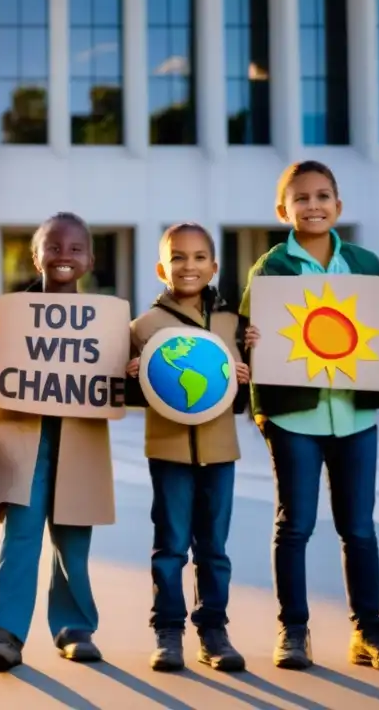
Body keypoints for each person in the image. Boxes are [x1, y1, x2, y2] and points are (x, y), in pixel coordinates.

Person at [240, 161, 379, 671]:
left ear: (338, 205)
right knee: (294, 525)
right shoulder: (271, 268)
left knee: (359, 527)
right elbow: (250, 339)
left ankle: (370, 631)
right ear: (282, 210)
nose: (312, 206)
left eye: (322, 196)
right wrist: (260, 402)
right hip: (294, 418)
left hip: (353, 416)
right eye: (301, 199)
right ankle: (293, 629)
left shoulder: (362, 261)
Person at [0, 212, 115, 672]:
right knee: (21, 536)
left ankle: (75, 628)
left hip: (78, 441)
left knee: (73, 541)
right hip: (27, 441)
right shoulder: (13, 314)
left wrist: (125, 372)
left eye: (75, 249)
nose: (64, 256)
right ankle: (5, 631)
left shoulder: (103, 321)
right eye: (54, 247)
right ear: (36, 256)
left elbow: (115, 386)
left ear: (90, 258)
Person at [123, 223, 249, 673]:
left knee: (214, 546)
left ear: (214, 266)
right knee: (171, 544)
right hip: (170, 451)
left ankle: (213, 630)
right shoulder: (143, 326)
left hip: (220, 450)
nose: (188, 265)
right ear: (162, 268)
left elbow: (243, 395)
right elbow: (127, 392)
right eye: (178, 257)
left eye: (198, 258)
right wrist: (131, 373)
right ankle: (168, 630)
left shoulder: (233, 322)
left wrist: (245, 373)